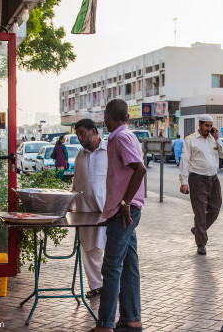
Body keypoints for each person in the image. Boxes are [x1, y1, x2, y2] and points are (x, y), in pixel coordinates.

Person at [91, 99, 146, 332]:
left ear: (107, 118)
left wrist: (124, 203)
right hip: (123, 209)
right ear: (128, 117)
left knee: (111, 266)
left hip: (125, 210)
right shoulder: (123, 136)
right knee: (129, 263)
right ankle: (132, 319)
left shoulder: (122, 137)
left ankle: (105, 324)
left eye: (105, 117)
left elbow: (139, 168)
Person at [179, 114, 223, 255]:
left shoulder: (214, 140)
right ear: (200, 125)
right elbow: (183, 161)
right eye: (206, 125)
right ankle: (201, 243)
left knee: (215, 209)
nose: (208, 128)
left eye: (210, 126)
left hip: (213, 179)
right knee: (200, 212)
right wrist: (183, 182)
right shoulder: (190, 140)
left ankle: (198, 230)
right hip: (197, 179)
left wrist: (218, 139)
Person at [73, 119, 107, 299]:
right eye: (77, 134)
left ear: (94, 131)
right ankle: (97, 285)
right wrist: (71, 205)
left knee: (111, 249)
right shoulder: (80, 155)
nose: (79, 137)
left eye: (82, 133)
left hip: (107, 210)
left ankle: (113, 286)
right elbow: (76, 182)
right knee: (88, 249)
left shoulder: (109, 152)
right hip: (84, 211)